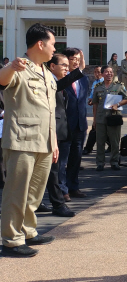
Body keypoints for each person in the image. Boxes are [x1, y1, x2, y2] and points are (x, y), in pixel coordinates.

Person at [0, 23, 58, 257]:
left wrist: (53, 142)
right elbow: (2, 81)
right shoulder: (18, 67)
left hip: (44, 140)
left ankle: (28, 230)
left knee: (35, 191)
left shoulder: (46, 73)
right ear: (40, 44)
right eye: (53, 44)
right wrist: (10, 67)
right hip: (22, 140)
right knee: (17, 191)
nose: (55, 49)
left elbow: (50, 111)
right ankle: (12, 239)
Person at [45, 53, 80, 218]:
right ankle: (58, 204)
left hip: (61, 130)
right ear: (52, 66)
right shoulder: (49, 81)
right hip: (50, 132)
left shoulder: (55, 81)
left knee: (54, 169)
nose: (68, 68)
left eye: (69, 65)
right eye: (64, 65)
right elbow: (58, 86)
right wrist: (78, 70)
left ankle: (38, 202)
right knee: (53, 170)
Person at [61, 48, 88, 198]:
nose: (77, 62)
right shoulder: (61, 78)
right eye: (73, 59)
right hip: (65, 125)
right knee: (63, 160)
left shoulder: (83, 79)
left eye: (78, 59)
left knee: (76, 159)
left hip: (80, 124)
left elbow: (82, 102)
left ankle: (73, 186)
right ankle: (63, 189)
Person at [93, 66, 127, 172]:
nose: (109, 74)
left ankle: (114, 162)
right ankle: (100, 163)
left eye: (111, 72)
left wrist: (117, 104)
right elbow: (95, 103)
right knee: (100, 142)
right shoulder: (98, 87)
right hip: (100, 118)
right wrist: (94, 120)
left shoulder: (118, 86)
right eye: (107, 72)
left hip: (114, 117)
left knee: (115, 141)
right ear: (102, 74)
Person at [83, 65, 104, 156]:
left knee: (95, 129)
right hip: (97, 108)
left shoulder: (105, 82)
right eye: (95, 72)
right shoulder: (95, 82)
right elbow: (92, 95)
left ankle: (88, 148)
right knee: (98, 128)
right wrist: (91, 99)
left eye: (99, 72)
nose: (97, 74)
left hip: (104, 109)